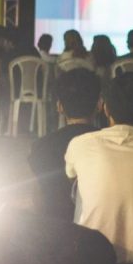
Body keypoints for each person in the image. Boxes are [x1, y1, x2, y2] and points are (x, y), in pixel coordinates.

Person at [65, 72, 133, 263]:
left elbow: (70, 178)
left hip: (95, 262)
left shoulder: (80, 143)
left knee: (78, 186)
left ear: (105, 109)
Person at [28, 68, 100, 220]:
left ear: (60, 106)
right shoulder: (108, 145)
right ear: (99, 105)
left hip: (53, 228)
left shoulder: (41, 146)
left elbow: (35, 197)